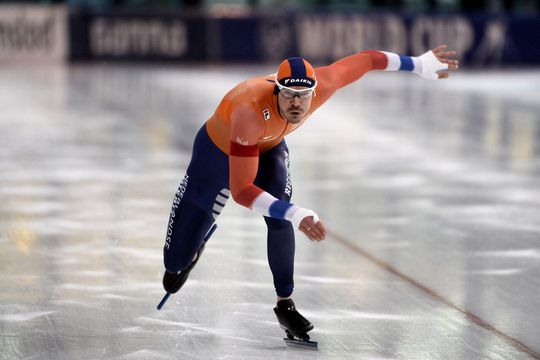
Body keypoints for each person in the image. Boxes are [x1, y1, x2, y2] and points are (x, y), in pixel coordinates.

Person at [162, 44, 459, 339]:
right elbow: (242, 192)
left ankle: (285, 305)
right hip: (216, 155)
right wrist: (297, 213)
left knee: (278, 216)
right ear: (277, 91)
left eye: (304, 95)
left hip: (267, 147)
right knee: (173, 270)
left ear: (313, 91)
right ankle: (189, 253)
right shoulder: (248, 110)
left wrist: (418, 64)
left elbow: (368, 60)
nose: (296, 103)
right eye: (289, 94)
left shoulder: (321, 87)